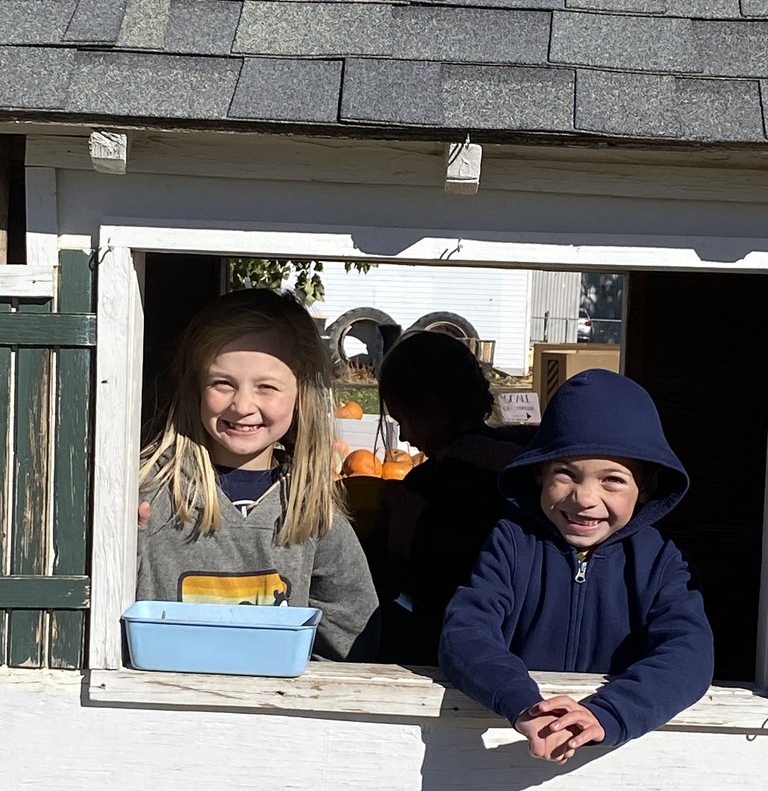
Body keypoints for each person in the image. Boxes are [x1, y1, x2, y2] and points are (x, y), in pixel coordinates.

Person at [439, 368, 714, 762]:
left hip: (618, 761)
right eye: (565, 474)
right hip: (511, 751)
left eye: (612, 481)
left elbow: (689, 654)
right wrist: (524, 704)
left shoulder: (662, 563)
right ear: (539, 472)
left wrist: (609, 713)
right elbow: (465, 634)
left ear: (647, 485)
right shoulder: (512, 544)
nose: (584, 498)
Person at [137, 288, 379, 662]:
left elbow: (354, 630)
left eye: (266, 387)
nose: (243, 405)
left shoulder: (312, 512)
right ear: (196, 386)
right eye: (223, 383)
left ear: (301, 394)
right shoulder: (150, 498)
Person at [372, 329, 535, 666]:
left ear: (429, 407)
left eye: (402, 419)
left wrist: (396, 508)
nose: (403, 435)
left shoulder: (430, 483)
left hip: (444, 643)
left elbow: (404, 573)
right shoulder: (525, 460)